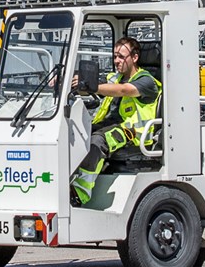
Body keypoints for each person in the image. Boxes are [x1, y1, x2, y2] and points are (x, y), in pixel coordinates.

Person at [69, 36, 162, 207]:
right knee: (75, 133)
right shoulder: (115, 78)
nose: (117, 61)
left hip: (132, 132)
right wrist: (70, 81)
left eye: (121, 57)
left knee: (98, 141)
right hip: (111, 124)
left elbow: (123, 90)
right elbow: (106, 86)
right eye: (115, 56)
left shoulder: (146, 81)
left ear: (134, 58)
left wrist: (93, 86)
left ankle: (79, 193)